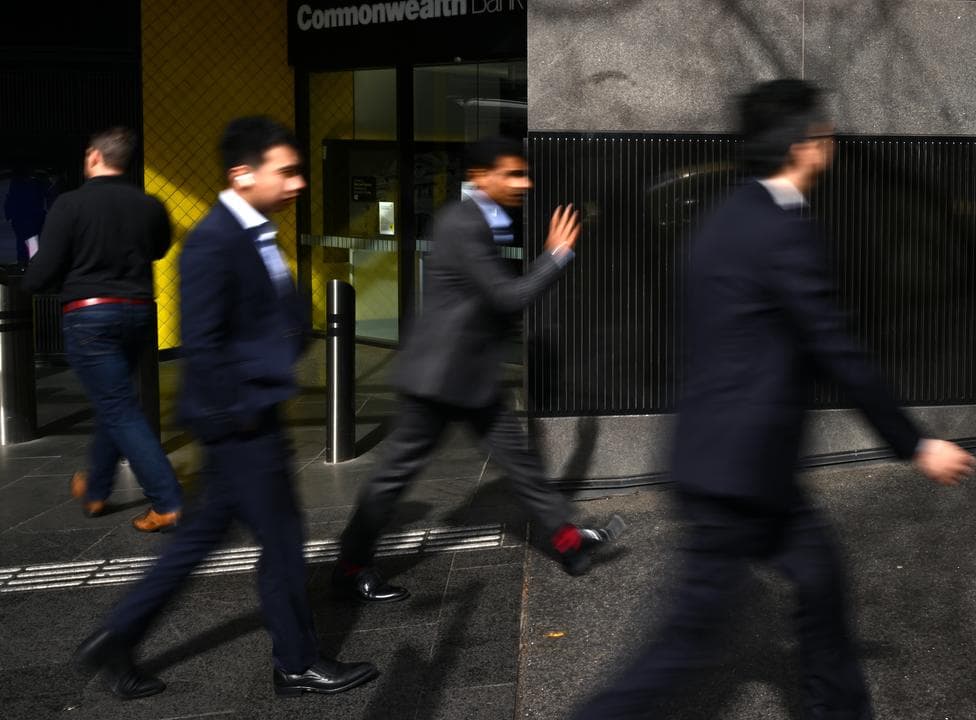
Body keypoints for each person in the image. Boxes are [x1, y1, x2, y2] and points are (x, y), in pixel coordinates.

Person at [571, 80, 976, 720]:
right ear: (802, 147)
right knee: (684, 642)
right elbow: (836, 347)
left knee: (820, 582)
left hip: (739, 464)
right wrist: (915, 442)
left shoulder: (724, 217)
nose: (831, 144)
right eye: (825, 134)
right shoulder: (782, 230)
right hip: (738, 476)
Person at [74, 116, 377, 699]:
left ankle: (116, 636)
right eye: (285, 172)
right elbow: (204, 342)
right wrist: (238, 419)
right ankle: (297, 662)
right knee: (285, 542)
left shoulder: (253, 231)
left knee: (198, 540)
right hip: (240, 421)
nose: (298, 184)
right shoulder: (215, 240)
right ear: (243, 175)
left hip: (244, 417)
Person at [332, 137, 624, 605]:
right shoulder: (461, 222)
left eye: (523, 173)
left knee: (521, 466)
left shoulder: (484, 218)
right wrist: (556, 254)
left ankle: (569, 544)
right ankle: (349, 565)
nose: (524, 182)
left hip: (469, 374)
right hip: (438, 379)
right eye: (512, 173)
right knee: (394, 476)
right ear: (480, 176)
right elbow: (507, 297)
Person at [23, 128, 183, 532]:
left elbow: (44, 268)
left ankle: (166, 500)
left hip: (90, 317)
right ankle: (95, 490)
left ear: (94, 157)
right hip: (138, 314)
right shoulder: (149, 205)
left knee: (118, 407)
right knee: (115, 402)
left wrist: (31, 283)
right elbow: (160, 248)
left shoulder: (70, 204)